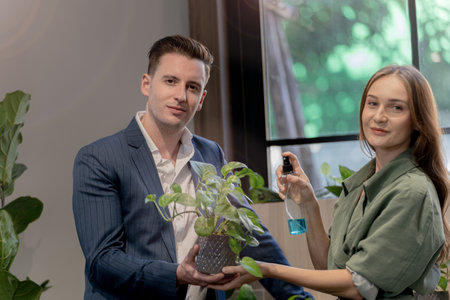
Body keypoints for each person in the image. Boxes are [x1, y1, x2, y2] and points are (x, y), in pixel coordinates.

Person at [72, 35, 311, 300]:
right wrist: (176, 274)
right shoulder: (99, 158)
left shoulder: (211, 154)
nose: (181, 96)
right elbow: (103, 261)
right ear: (146, 84)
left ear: (202, 98)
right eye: (171, 81)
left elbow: (250, 232)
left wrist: (298, 298)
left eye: (193, 87)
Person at [208, 65, 450, 299]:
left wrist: (269, 269)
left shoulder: (412, 192)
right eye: (372, 103)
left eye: (396, 108)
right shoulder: (361, 184)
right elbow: (329, 268)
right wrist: (309, 204)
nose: (379, 116)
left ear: (417, 120)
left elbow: (358, 286)